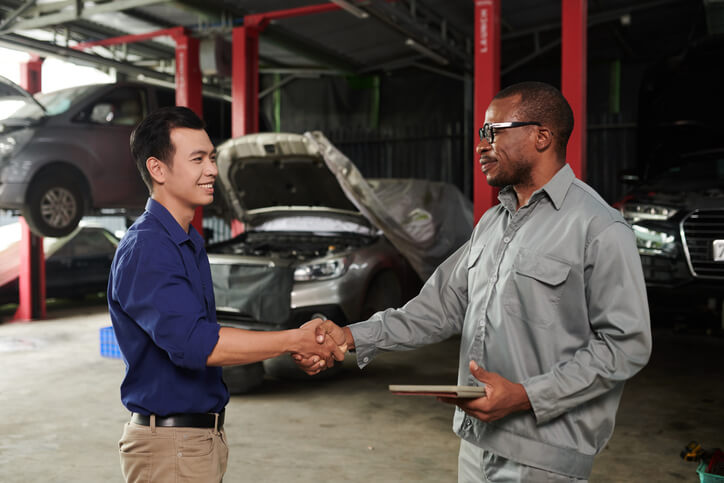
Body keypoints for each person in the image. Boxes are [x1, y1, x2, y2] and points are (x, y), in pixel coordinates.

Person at [296, 81, 652, 482]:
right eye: (482, 132)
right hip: (476, 443)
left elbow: (626, 346)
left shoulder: (598, 228)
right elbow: (438, 307)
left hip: (544, 457)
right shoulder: (494, 223)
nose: (481, 145)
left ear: (542, 136)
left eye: (494, 131)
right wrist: (349, 336)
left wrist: (525, 396)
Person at [108, 106, 345, 483]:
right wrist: (293, 340)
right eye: (198, 159)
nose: (212, 170)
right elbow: (196, 345)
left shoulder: (186, 242)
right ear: (158, 169)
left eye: (213, 158)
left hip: (194, 441)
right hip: (171, 448)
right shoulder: (149, 248)